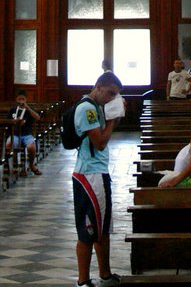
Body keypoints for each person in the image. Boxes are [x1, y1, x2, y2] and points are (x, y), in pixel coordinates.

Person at [73, 70, 124, 287]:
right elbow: (100, 142)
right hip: (90, 176)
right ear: (99, 86)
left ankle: (105, 274)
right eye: (110, 93)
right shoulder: (87, 110)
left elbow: (103, 135)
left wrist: (116, 118)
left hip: (94, 173)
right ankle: (83, 280)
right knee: (88, 231)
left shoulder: (95, 108)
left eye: (116, 95)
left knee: (102, 229)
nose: (112, 98)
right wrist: (113, 120)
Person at [6, 90, 42, 176]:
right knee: (9, 145)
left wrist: (28, 108)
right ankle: (14, 165)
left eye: (23, 99)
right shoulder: (13, 110)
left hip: (27, 134)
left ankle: (31, 165)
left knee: (31, 147)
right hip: (14, 134)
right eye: (19, 99)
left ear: (26, 99)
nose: (21, 101)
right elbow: (7, 121)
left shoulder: (29, 110)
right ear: (16, 99)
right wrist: (16, 121)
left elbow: (37, 118)